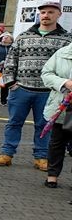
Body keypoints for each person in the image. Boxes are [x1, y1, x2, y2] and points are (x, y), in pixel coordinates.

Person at [0, 0, 70, 171]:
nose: (46, 16)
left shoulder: (66, 39)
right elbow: (11, 60)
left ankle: (41, 157)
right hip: (21, 88)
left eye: (50, 12)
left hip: (48, 91)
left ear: (58, 14)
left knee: (44, 125)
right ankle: (7, 153)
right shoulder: (24, 36)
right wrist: (11, 83)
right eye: (43, 12)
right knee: (13, 122)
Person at [40, 38, 72, 188]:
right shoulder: (62, 53)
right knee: (57, 142)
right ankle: (52, 175)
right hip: (62, 106)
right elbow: (46, 74)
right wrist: (64, 83)